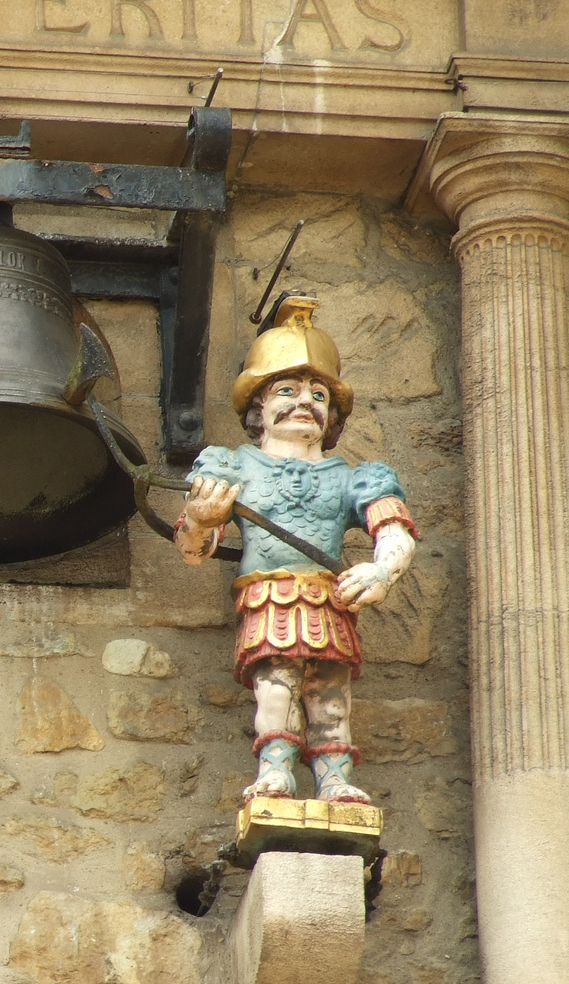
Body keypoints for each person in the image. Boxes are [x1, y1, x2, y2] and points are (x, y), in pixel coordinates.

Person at [174, 295, 416, 803]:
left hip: (331, 601)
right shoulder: (233, 466)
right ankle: (276, 770)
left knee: (330, 699)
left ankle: (335, 780)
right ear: (259, 406)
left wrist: (381, 572)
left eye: (319, 395)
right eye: (287, 390)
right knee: (276, 688)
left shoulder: (354, 478)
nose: (305, 402)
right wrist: (201, 518)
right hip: (270, 598)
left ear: (332, 416)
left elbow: (393, 529)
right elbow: (194, 549)